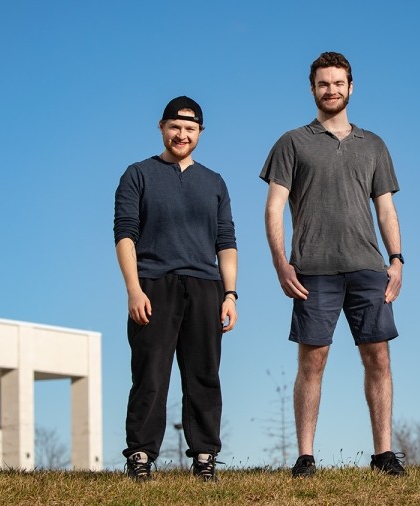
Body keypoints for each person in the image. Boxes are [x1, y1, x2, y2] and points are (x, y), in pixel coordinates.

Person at [260, 51, 406, 477]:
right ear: (312, 89)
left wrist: (396, 259)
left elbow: (386, 210)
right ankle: (305, 457)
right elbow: (274, 208)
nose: (331, 90)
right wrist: (280, 262)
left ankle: (383, 454)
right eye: (323, 84)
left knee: (378, 357)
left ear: (351, 87)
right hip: (313, 267)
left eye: (338, 83)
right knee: (313, 360)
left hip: (367, 266)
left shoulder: (374, 145)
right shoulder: (292, 142)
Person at [114, 96, 238, 482]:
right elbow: (125, 234)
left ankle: (204, 458)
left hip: (206, 287)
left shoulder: (214, 182)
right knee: (150, 374)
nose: (181, 134)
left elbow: (226, 242)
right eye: (175, 127)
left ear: (200, 132)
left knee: (204, 374)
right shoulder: (138, 174)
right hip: (153, 284)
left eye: (190, 128)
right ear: (162, 128)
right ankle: (140, 457)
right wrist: (134, 289)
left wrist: (230, 294)